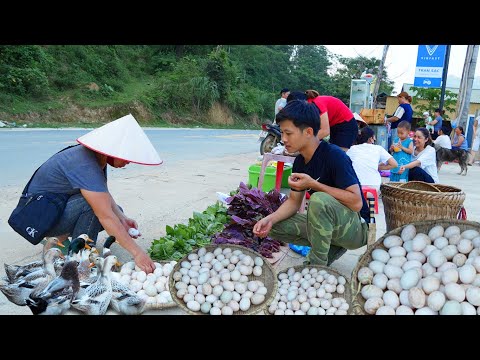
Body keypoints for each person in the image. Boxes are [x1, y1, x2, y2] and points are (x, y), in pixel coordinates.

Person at [12, 114, 162, 274]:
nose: (128, 162)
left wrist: (123, 219)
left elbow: (102, 193)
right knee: (94, 208)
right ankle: (79, 258)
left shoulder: (97, 159)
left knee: (115, 211)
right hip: (37, 218)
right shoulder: (84, 164)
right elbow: (104, 215)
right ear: (113, 150)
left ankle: (60, 240)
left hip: (53, 208)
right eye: (127, 156)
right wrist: (138, 253)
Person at [253, 100, 369, 266]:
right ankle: (333, 246)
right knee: (272, 225)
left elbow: (357, 203)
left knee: (319, 200)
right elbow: (294, 202)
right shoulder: (300, 162)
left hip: (357, 228)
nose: (283, 139)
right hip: (332, 224)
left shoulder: (335, 156)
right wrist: (270, 219)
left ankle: (317, 266)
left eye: (288, 133)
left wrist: (315, 185)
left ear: (308, 132)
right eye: (282, 133)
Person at [347, 127, 398, 192]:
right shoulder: (378, 148)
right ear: (370, 139)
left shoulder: (352, 149)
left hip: (356, 186)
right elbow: (394, 164)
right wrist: (378, 167)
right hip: (374, 186)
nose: (375, 139)